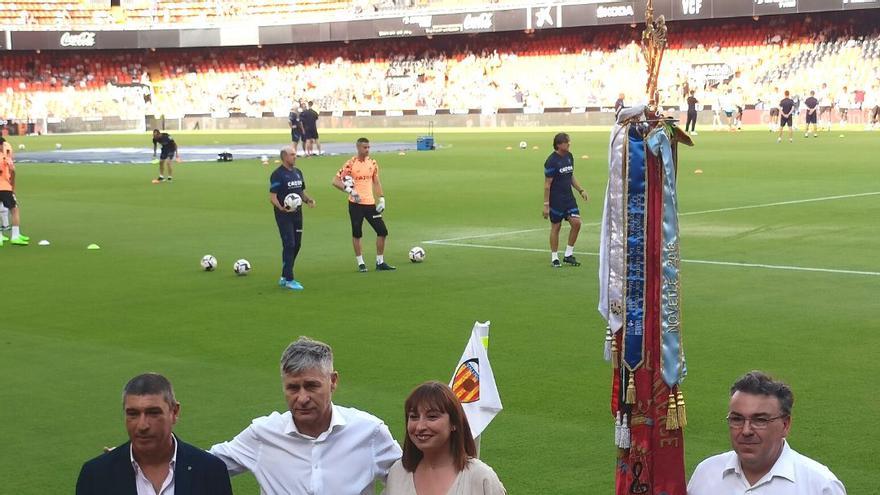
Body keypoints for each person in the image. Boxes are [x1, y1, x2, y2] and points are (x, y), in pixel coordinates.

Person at [209, 336, 402, 495]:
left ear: (333, 381)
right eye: (293, 388)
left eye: (311, 386)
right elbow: (202, 466)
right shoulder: (263, 434)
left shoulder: (369, 432)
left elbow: (410, 477)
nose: (302, 398)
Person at [687, 370, 846, 495]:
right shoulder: (706, 473)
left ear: (785, 425)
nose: (746, 431)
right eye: (737, 419)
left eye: (760, 420)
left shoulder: (820, 487)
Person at [76, 373, 233, 495]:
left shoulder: (210, 471)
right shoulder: (96, 474)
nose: (142, 425)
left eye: (153, 413)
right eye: (133, 414)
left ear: (174, 412)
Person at [383, 381, 507, 495]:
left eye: (432, 417)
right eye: (414, 417)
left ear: (454, 423)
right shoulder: (398, 472)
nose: (420, 426)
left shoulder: (481, 478)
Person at [333, 137, 395, 272]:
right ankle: (361, 263)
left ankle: (380, 262)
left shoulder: (372, 163)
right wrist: (350, 190)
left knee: (382, 231)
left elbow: (376, 182)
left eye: (368, 147)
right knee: (357, 233)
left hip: (370, 204)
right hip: (355, 204)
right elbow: (336, 181)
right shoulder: (350, 164)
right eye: (364, 148)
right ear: (358, 148)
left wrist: (382, 199)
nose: (367, 150)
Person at [269, 145, 316, 291]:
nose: (295, 156)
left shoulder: (298, 173)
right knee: (289, 244)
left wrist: (308, 200)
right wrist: (280, 207)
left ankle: (285, 275)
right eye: (292, 154)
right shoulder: (277, 174)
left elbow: (300, 192)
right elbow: (272, 197)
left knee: (297, 244)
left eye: (295, 154)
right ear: (284, 157)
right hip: (284, 215)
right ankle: (289, 279)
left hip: (298, 214)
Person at [542, 132, 588, 268]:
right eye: (566, 142)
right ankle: (554, 257)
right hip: (556, 200)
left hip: (569, 198)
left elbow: (571, 176)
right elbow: (547, 184)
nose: (569, 144)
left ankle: (568, 254)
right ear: (558, 144)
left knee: (577, 223)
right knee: (556, 227)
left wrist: (580, 190)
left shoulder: (569, 156)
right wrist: (546, 205)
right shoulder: (551, 161)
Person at [0, 137, 28, 246]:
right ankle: (15, 236)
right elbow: (12, 171)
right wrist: (12, 187)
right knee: (14, 210)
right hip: (5, 187)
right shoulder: (4, 158)